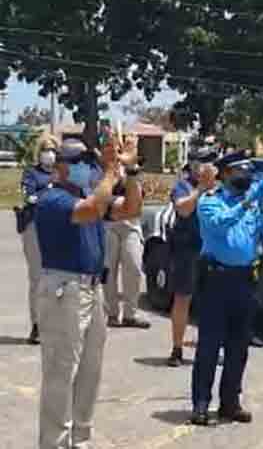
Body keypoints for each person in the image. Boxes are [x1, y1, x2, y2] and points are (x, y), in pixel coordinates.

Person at [35, 135, 142, 449]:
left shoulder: (90, 194)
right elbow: (93, 208)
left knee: (89, 373)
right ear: (63, 167)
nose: (87, 168)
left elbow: (132, 208)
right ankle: (54, 444)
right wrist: (111, 170)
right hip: (64, 289)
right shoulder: (52, 198)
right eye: (81, 162)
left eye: (89, 163)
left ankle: (80, 440)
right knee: (61, 373)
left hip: (91, 289)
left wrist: (131, 171)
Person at [191, 150, 263, 426]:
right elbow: (219, 225)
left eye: (249, 172)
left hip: (245, 279)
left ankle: (230, 403)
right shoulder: (210, 201)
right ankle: (201, 404)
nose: (246, 176)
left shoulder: (252, 205)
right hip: (216, 279)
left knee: (239, 346)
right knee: (210, 346)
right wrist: (247, 204)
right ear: (225, 174)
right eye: (240, 171)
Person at [166, 148, 218, 367]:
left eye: (210, 162)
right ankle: (177, 349)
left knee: (214, 302)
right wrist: (200, 189)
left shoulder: (221, 189)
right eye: (202, 162)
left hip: (213, 250)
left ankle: (210, 349)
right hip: (188, 249)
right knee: (182, 298)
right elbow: (183, 210)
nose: (207, 166)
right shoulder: (183, 186)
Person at [17, 135, 58, 345]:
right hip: (34, 227)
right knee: (37, 278)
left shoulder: (61, 172)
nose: (49, 153)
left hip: (58, 229)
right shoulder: (31, 173)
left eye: (52, 149)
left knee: (57, 278)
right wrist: (50, 191)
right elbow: (29, 197)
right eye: (45, 149)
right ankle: (37, 325)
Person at [103, 162, 150, 329]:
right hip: (108, 224)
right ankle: (111, 313)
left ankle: (131, 314)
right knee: (109, 271)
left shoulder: (132, 167)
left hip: (131, 224)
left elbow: (139, 197)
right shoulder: (105, 165)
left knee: (134, 266)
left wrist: (129, 176)